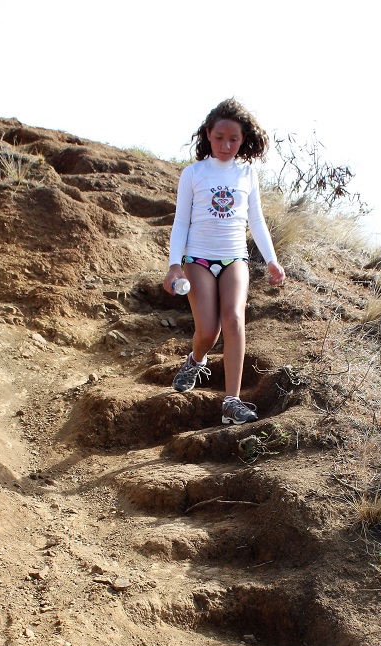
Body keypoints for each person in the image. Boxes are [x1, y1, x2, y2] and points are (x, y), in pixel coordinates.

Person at [163, 98, 285, 425]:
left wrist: (271, 260)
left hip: (235, 259)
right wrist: (175, 264)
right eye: (219, 138)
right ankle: (195, 359)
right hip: (198, 259)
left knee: (233, 318)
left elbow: (256, 222)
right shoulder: (193, 173)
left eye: (233, 139)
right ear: (208, 134)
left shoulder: (247, 174)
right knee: (208, 331)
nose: (226, 145)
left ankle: (232, 401)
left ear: (244, 139)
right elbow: (181, 223)